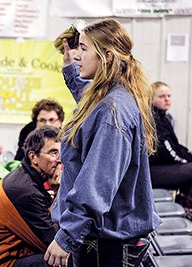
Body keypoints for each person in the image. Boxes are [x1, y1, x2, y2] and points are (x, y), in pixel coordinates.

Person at [44, 19, 161, 267]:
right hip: (104, 238)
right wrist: (70, 71)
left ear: (106, 56)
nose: (77, 55)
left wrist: (66, 236)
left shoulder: (111, 110)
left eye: (84, 49)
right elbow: (89, 104)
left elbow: (98, 183)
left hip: (103, 244)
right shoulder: (112, 97)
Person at [0, 126, 61, 267]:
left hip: (4, 255)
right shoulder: (25, 191)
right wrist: (59, 190)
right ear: (33, 157)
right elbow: (53, 241)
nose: (60, 160)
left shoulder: (26, 178)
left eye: (62, 153)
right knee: (64, 258)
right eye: (54, 152)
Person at [149, 81, 192, 208]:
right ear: (151, 99)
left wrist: (187, 153)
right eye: (162, 97)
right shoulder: (153, 119)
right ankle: (186, 207)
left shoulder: (163, 117)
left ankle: (184, 206)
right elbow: (167, 151)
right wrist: (186, 159)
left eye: (169, 96)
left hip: (161, 167)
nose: (167, 99)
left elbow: (175, 145)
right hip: (151, 172)